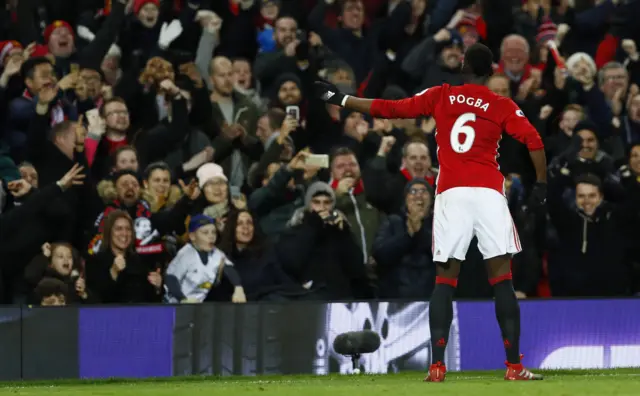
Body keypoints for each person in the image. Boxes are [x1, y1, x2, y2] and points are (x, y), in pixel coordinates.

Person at [313, 43, 547, 382]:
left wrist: (342, 100)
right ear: (492, 70)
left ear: (463, 67)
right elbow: (535, 140)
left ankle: (437, 367)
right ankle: (514, 366)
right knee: (502, 280)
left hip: (451, 192)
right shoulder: (500, 104)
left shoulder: (442, 95)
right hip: (487, 192)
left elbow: (390, 108)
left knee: (444, 281)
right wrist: (540, 183)